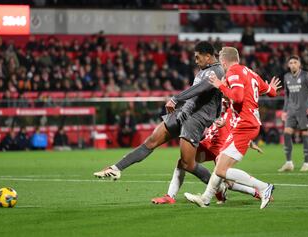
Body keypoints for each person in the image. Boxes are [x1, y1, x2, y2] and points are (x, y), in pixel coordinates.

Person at [94, 41, 224, 189]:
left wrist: (176, 98)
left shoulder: (218, 71)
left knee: (187, 164)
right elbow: (196, 94)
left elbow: (202, 88)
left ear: (208, 56)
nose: (195, 61)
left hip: (196, 120)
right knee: (150, 141)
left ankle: (219, 187)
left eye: (197, 57)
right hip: (183, 114)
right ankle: (116, 168)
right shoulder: (202, 71)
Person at [184, 47, 281, 209]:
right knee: (220, 164)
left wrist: (220, 85)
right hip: (246, 124)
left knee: (222, 170)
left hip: (245, 124)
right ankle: (206, 198)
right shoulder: (251, 72)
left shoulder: (233, 72)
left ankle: (264, 187)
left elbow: (237, 97)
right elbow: (271, 92)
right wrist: (271, 88)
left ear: (223, 61)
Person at [151, 99, 265, 204]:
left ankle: (256, 191)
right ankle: (170, 196)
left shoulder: (233, 101)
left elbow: (238, 125)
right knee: (183, 162)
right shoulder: (214, 97)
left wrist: (249, 142)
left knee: (228, 182)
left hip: (221, 147)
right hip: (208, 143)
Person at [278, 55, 308, 172]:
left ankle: (306, 163)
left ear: (299, 64)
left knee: (305, 134)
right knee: (286, 133)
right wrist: (284, 110)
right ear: (288, 65)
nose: (293, 64)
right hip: (291, 110)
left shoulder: (306, 75)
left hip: (304, 110)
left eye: (295, 62)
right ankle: (289, 163)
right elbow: (287, 95)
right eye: (291, 63)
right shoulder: (286, 77)